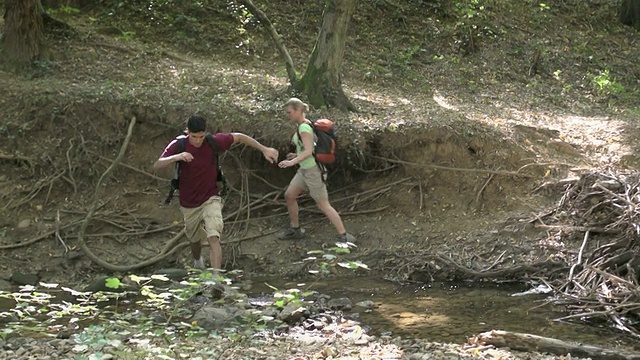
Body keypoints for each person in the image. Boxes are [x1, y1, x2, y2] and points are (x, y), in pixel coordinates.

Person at [154, 115, 279, 270]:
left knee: (214, 236)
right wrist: (177, 156)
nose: (198, 141)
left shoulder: (213, 142)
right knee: (194, 239)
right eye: (194, 137)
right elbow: (158, 165)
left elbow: (239, 137)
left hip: (211, 197)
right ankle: (197, 260)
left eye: (201, 136)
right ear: (188, 132)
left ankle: (216, 279)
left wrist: (264, 149)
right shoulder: (179, 145)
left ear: (205, 133)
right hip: (189, 202)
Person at [277, 98, 356, 243]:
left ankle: (344, 235)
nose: (288, 115)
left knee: (323, 204)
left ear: (299, 110)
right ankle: (295, 229)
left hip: (313, 171)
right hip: (304, 170)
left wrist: (291, 162)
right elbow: (308, 149)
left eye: (290, 112)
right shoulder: (303, 125)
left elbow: (308, 151)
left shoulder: (304, 128)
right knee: (289, 195)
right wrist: (296, 155)